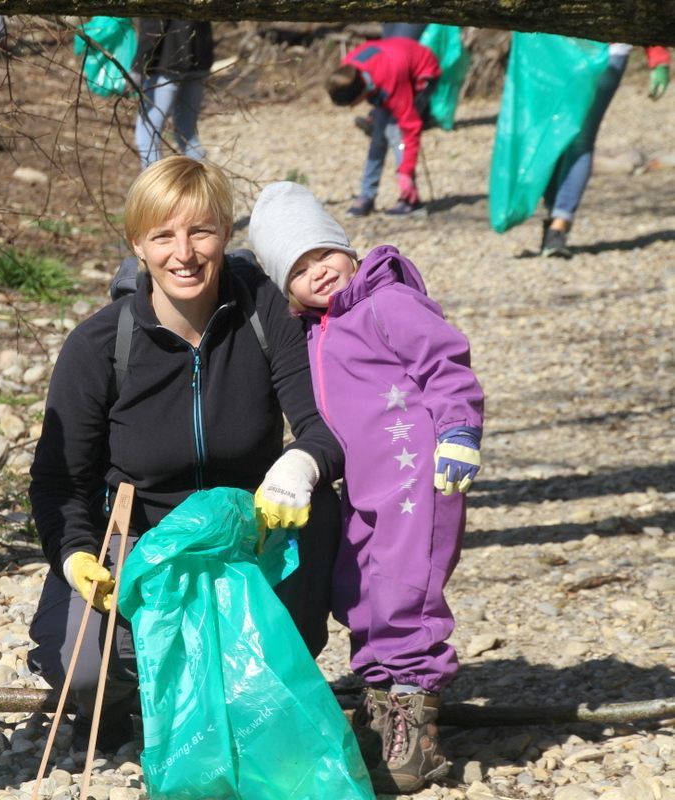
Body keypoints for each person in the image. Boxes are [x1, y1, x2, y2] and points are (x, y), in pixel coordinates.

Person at [27, 156, 345, 752]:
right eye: (163, 236)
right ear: (137, 245)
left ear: (226, 233)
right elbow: (57, 483)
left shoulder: (267, 314)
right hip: (141, 542)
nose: (184, 253)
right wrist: (73, 556)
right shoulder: (99, 345)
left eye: (201, 231)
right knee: (85, 668)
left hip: (248, 532)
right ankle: (123, 697)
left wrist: (298, 466)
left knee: (321, 507)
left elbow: (323, 429)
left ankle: (270, 670)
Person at [249, 181, 484, 794]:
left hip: (417, 480)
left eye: (323, 253)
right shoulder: (313, 330)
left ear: (347, 248)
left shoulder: (387, 304)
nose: (318, 272)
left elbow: (445, 362)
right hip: (359, 490)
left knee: (408, 590)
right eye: (298, 269)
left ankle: (414, 714)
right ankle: (381, 699)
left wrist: (459, 429)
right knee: (358, 592)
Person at [540, 44, 670, 257]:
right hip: (562, 51)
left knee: (579, 138)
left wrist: (658, 56)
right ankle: (556, 219)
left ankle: (558, 224)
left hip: (599, 54)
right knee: (562, 136)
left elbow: (644, 12)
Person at [326, 37, 440, 217]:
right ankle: (367, 195)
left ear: (361, 94)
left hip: (421, 70)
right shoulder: (348, 70)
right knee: (378, 136)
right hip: (392, 62)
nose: (354, 108)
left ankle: (410, 200)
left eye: (353, 104)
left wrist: (406, 170)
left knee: (395, 134)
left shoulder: (391, 84)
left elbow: (411, 128)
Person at [132, 19, 213, 169]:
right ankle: (206, 188)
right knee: (187, 135)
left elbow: (153, 23)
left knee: (147, 136)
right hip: (200, 57)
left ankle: (155, 192)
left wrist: (138, 66)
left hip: (168, 62)